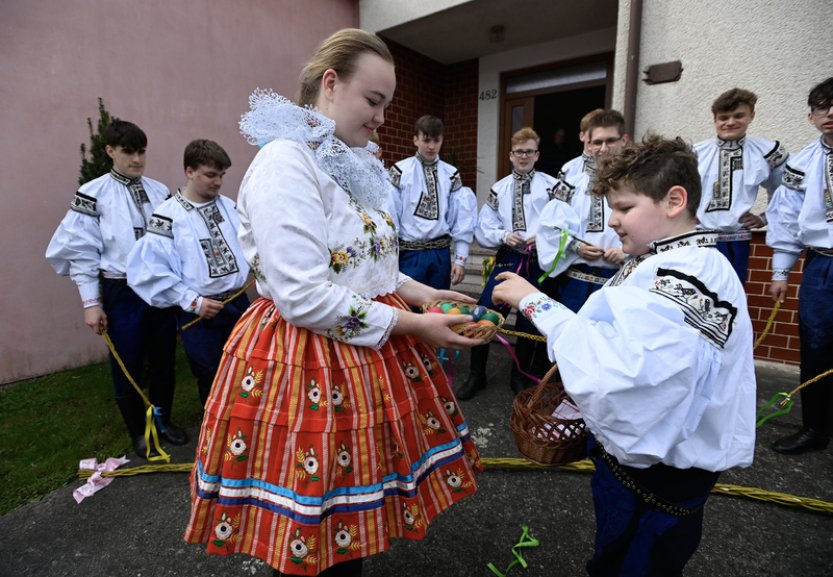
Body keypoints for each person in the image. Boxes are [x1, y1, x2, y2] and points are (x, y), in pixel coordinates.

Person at [183, 29, 483, 577]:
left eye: (387, 105)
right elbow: (302, 296)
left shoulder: (351, 161)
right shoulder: (284, 163)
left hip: (366, 349)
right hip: (306, 357)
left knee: (352, 515)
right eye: (374, 100)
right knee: (314, 519)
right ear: (329, 83)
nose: (382, 118)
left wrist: (423, 294)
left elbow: (371, 267)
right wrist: (415, 327)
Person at [493, 135, 756, 577]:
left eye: (625, 208)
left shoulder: (687, 275)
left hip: (659, 472)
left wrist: (534, 302)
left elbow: (624, 371)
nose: (612, 221)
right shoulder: (666, 258)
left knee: (633, 560)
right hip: (654, 462)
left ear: (674, 200)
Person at [45, 120, 187, 458]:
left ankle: (162, 421)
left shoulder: (158, 191)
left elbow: (176, 242)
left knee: (165, 358)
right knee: (128, 361)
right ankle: (139, 432)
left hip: (160, 289)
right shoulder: (93, 194)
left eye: (141, 152)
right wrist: (91, 304)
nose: (137, 159)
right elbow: (81, 251)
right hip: (121, 291)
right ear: (110, 151)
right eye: (128, 152)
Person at [126, 139, 251, 407]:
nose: (218, 182)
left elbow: (251, 245)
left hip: (238, 305)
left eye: (221, 175)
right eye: (210, 175)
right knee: (211, 377)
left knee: (248, 372)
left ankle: (248, 436)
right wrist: (192, 302)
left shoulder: (229, 206)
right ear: (189, 171)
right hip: (200, 311)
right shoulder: (167, 216)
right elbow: (151, 269)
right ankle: (215, 440)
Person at [455, 127, 560, 400]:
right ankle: (476, 374)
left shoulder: (552, 187)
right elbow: (483, 227)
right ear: (511, 155)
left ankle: (519, 376)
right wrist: (503, 235)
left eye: (529, 151)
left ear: (537, 154)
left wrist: (546, 237)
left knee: (529, 319)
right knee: (485, 313)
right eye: (518, 152)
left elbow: (565, 223)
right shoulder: (499, 188)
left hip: (539, 261)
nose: (523, 156)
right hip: (509, 259)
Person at [766, 77, 833, 455]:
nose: (831, 113)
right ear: (811, 116)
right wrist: (780, 271)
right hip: (822, 265)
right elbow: (787, 218)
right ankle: (815, 429)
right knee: (817, 345)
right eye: (823, 106)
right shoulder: (802, 163)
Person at [694, 88, 788, 284]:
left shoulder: (765, 151)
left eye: (738, 116)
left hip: (736, 241)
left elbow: (784, 190)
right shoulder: (696, 153)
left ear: (751, 116)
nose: (730, 122)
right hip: (698, 239)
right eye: (723, 117)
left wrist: (764, 217)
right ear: (715, 120)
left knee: (731, 293)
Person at [549, 110, 628, 313]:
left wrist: (628, 253)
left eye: (610, 141)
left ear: (624, 140)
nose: (603, 149)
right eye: (597, 142)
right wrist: (575, 246)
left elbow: (661, 231)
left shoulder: (644, 184)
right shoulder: (570, 185)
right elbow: (550, 226)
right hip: (576, 283)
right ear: (588, 144)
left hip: (621, 282)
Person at [388, 115, 477, 290]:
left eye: (436, 141)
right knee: (411, 310)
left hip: (440, 255)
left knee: (438, 308)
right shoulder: (400, 172)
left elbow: (462, 219)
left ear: (442, 140)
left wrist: (460, 259)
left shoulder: (451, 174)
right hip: (410, 255)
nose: (431, 146)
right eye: (426, 140)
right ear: (415, 139)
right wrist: (390, 258)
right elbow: (391, 217)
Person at [558, 108, 604, 182]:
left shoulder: (617, 169)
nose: (597, 137)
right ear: (582, 136)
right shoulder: (568, 168)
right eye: (593, 132)